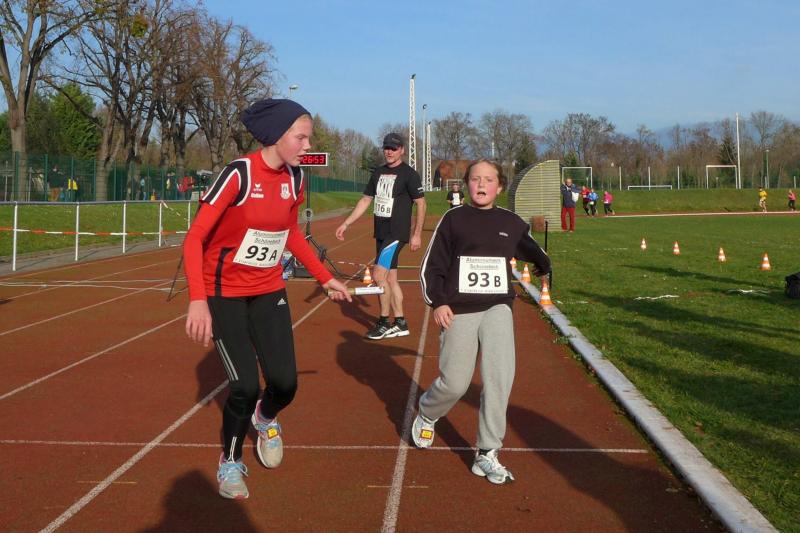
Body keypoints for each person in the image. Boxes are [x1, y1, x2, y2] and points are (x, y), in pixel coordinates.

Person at [183, 98, 351, 500]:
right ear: (277, 135)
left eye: (309, 138)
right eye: (301, 137)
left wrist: (326, 278)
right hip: (223, 293)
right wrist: (197, 300)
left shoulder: (295, 178)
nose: (308, 145)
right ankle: (230, 461)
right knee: (243, 385)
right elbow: (195, 238)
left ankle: (265, 417)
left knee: (285, 384)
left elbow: (291, 233)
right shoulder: (238, 174)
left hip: (268, 289)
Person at [414, 159, 551, 484]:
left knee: (499, 377)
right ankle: (428, 411)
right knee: (455, 383)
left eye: (489, 180)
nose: (481, 184)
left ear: (499, 187)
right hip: (458, 309)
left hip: (497, 307)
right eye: (476, 179)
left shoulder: (510, 222)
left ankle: (487, 452)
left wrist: (545, 264)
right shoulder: (453, 219)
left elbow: (530, 248)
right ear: (467, 184)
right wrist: (438, 302)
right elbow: (432, 266)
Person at [335, 132, 427, 340]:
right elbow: (365, 200)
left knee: (378, 276)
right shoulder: (378, 172)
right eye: (386, 148)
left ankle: (384, 322)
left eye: (393, 148)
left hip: (396, 233)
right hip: (382, 232)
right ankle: (400, 323)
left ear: (402, 150)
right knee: (391, 278)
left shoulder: (409, 174)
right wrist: (346, 223)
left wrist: (417, 234)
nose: (389, 151)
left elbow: (421, 204)